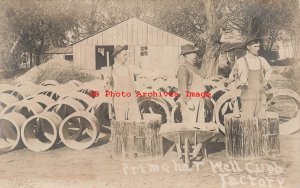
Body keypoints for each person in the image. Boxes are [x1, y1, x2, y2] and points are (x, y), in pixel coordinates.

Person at [106, 45, 165, 121]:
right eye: (124, 55)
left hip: (132, 100)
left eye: (126, 54)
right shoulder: (111, 70)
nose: (126, 57)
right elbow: (107, 87)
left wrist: (159, 75)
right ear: (118, 55)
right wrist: (110, 92)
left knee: (136, 122)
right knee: (121, 125)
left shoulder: (130, 68)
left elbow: (143, 72)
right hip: (119, 101)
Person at [229, 38, 272, 117]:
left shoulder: (261, 60)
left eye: (258, 46)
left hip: (261, 94)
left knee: (260, 119)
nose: (257, 49)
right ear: (248, 47)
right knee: (248, 119)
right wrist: (234, 74)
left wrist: (265, 81)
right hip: (247, 95)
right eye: (255, 46)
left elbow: (269, 70)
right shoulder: (241, 61)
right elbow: (231, 78)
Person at [177, 44, 206, 125]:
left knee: (200, 125)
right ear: (186, 55)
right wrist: (188, 101)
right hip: (191, 101)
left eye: (195, 53)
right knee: (189, 126)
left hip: (199, 99)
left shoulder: (194, 68)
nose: (195, 55)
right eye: (192, 53)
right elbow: (182, 87)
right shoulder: (183, 68)